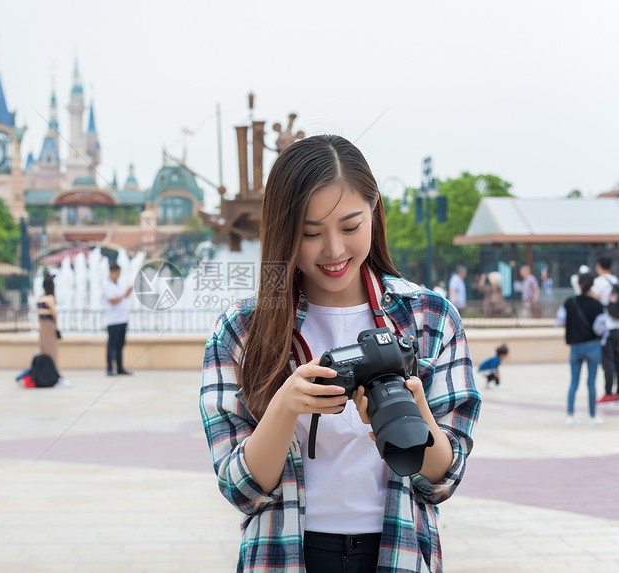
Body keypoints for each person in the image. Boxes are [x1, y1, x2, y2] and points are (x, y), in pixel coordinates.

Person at [200, 135, 481, 572]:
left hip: (398, 550)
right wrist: (286, 405)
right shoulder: (242, 330)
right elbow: (241, 490)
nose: (333, 250)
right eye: (310, 233)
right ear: (282, 231)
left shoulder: (429, 317)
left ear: (375, 211)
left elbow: (443, 480)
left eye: (351, 227)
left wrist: (413, 412)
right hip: (285, 554)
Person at [555, 272, 605, 425]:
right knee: (591, 383)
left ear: (578, 284)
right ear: (592, 286)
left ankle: (570, 416)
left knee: (573, 383)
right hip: (592, 346)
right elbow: (600, 328)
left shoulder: (569, 302)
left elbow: (560, 320)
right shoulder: (597, 305)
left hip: (575, 347)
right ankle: (592, 416)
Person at [592, 256, 619, 404]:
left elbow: (594, 300)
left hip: (606, 328)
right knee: (618, 360)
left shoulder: (599, 283)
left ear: (599, 266)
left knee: (607, 361)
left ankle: (608, 392)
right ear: (611, 266)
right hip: (617, 326)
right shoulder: (617, 281)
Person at [36, 276, 70, 387]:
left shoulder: (40, 298)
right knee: (52, 353)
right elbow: (55, 314)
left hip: (42, 328)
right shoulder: (50, 298)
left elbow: (38, 315)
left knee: (44, 352)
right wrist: (55, 327)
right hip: (49, 327)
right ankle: (56, 377)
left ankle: (45, 375)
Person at [103, 263, 133, 376]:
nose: (119, 276)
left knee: (120, 345)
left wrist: (126, 293)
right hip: (113, 320)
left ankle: (120, 367)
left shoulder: (117, 284)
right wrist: (125, 294)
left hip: (122, 319)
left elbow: (121, 298)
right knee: (112, 345)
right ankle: (110, 368)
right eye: (118, 273)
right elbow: (112, 300)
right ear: (114, 272)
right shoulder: (106, 285)